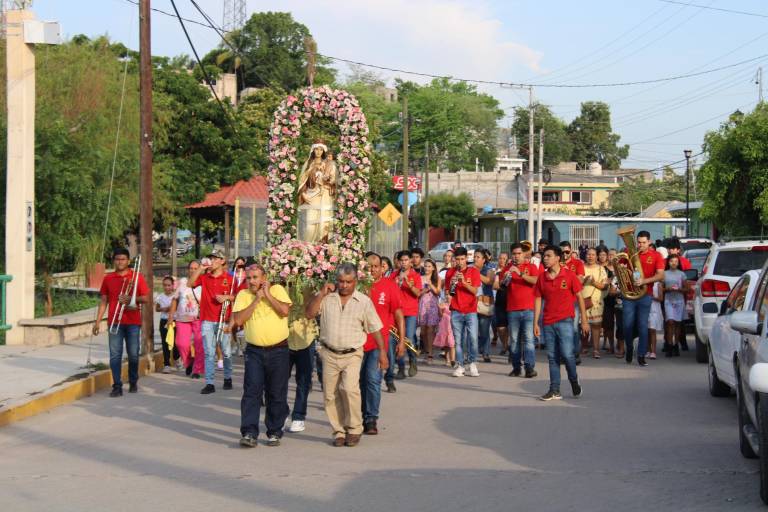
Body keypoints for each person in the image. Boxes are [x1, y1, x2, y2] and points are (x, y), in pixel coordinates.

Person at [305, 263, 386, 447]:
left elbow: (375, 329)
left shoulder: (364, 302)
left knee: (350, 390)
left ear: (355, 281)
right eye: (341, 281)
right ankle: (339, 431)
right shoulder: (327, 298)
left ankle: (355, 428)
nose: (344, 285)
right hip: (329, 352)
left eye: (348, 282)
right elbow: (309, 313)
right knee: (330, 394)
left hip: (352, 354)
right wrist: (320, 293)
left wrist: (382, 353)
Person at [232, 264, 292, 448]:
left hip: (279, 350)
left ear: (264, 277)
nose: (251, 281)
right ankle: (249, 432)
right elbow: (239, 320)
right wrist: (257, 300)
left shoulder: (277, 289)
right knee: (252, 391)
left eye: (255, 277)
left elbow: (284, 311)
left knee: (276, 392)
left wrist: (268, 296)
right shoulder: (243, 295)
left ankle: (274, 431)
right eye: (249, 278)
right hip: (254, 351)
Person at [93, 248, 150, 397]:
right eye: (117, 259)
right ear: (114, 261)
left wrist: (132, 299)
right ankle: (117, 386)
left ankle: (133, 381)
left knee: (133, 354)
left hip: (132, 322)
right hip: (114, 321)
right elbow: (103, 301)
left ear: (128, 261)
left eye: (123, 259)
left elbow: (145, 298)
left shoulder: (136, 277)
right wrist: (98, 321)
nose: (120, 262)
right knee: (115, 355)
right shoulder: (108, 278)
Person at [534, 246, 588, 401]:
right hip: (548, 321)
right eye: (544, 256)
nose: (545, 258)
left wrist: (584, 320)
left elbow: (579, 297)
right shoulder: (542, 277)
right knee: (552, 357)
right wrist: (535, 323)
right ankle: (554, 389)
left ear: (558, 258)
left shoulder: (569, 275)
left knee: (567, 354)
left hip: (565, 320)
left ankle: (573, 380)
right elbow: (538, 299)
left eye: (548, 256)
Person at [363, 253, 405, 432]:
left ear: (382, 268)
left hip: (378, 344)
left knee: (372, 380)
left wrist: (402, 341)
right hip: (356, 342)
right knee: (357, 382)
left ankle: (371, 418)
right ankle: (359, 416)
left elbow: (398, 315)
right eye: (368, 267)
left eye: (375, 266)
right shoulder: (356, 286)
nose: (372, 270)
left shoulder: (390, 286)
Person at [188, 250, 236, 394]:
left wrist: (226, 297)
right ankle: (210, 383)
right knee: (209, 352)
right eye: (210, 258)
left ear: (222, 261)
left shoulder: (229, 278)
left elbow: (238, 297)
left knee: (226, 352)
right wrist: (200, 269)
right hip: (207, 320)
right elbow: (190, 283)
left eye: (215, 258)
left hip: (224, 320)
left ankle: (227, 377)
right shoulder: (205, 277)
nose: (211, 261)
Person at [622, 230, 665, 367]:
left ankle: (641, 355)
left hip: (645, 295)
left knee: (642, 326)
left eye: (643, 242)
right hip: (629, 294)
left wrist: (644, 281)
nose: (640, 245)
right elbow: (619, 267)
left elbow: (660, 276)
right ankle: (629, 347)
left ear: (649, 242)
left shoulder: (656, 255)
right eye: (639, 242)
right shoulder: (628, 252)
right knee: (627, 325)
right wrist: (622, 268)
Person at [499, 243, 539, 378]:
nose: (516, 256)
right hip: (513, 309)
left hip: (528, 308)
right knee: (515, 340)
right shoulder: (507, 268)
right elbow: (501, 286)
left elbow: (535, 281)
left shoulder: (531, 267)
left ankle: (529, 368)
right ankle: (516, 367)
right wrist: (505, 279)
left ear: (524, 254)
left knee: (528, 339)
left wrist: (520, 273)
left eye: (519, 254)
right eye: (514, 254)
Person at [445, 247, 481, 377]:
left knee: (472, 338)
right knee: (458, 340)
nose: (460, 262)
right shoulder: (450, 273)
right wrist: (452, 285)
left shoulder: (473, 271)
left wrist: (464, 283)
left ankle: (472, 362)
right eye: (457, 259)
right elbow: (448, 292)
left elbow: (475, 291)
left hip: (470, 310)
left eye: (462, 259)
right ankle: (460, 365)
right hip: (456, 310)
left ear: (466, 259)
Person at [168, 260, 204, 378]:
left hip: (199, 319)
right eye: (191, 268)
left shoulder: (204, 282)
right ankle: (188, 362)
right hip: (182, 318)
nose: (193, 270)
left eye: (195, 268)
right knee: (181, 344)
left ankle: (197, 370)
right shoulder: (182, 282)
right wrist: (170, 317)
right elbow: (175, 300)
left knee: (199, 344)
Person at [391, 251, 422, 378]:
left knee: (408, 337)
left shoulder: (415, 276)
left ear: (410, 261)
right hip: (397, 311)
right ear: (398, 262)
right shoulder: (394, 275)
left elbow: (418, 293)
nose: (404, 262)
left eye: (406, 260)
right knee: (397, 339)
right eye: (401, 260)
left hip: (410, 311)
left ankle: (413, 360)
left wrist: (410, 286)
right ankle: (401, 368)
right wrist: (395, 284)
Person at [560, 241, 586, 364]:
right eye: (562, 252)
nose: (564, 254)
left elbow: (580, 280)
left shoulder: (577, 263)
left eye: (567, 251)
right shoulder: (555, 264)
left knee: (574, 329)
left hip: (573, 301)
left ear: (571, 251)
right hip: (559, 302)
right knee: (560, 329)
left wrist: (567, 272)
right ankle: (563, 354)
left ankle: (575, 354)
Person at [582, 248, 608, 359]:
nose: (590, 256)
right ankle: (584, 346)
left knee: (596, 326)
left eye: (593, 255)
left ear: (596, 256)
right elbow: (575, 283)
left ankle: (596, 349)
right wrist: (584, 280)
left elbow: (604, 286)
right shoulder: (581, 267)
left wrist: (593, 282)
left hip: (597, 301)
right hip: (582, 300)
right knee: (583, 325)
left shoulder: (601, 269)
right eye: (588, 254)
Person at [662, 254, 687, 357]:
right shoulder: (664, 274)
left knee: (677, 323)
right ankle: (669, 344)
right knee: (670, 322)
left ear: (678, 263)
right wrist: (667, 289)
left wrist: (679, 289)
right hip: (668, 300)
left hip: (679, 300)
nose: (673, 263)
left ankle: (676, 344)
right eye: (672, 261)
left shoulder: (682, 274)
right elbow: (661, 289)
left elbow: (686, 289)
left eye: (676, 261)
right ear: (668, 262)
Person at [474, 249, 495, 363]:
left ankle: (485, 352)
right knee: (473, 330)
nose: (475, 259)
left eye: (478, 257)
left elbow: (489, 281)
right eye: (474, 257)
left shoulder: (489, 270)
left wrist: (476, 273)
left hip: (485, 303)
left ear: (483, 260)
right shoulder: (470, 269)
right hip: (472, 302)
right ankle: (474, 352)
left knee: (484, 329)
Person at [418, 259, 441, 364]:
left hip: (432, 305)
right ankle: (427, 350)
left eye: (429, 266)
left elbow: (437, 292)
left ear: (433, 268)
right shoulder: (420, 278)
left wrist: (431, 285)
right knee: (423, 332)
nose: (426, 268)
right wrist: (424, 290)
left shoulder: (437, 279)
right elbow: (418, 293)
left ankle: (430, 354)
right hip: (422, 305)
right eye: (425, 266)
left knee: (430, 329)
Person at [155, 275, 176, 374]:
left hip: (175, 321)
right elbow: (157, 308)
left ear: (173, 286)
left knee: (176, 342)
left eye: (169, 285)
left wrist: (172, 308)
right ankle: (167, 364)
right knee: (165, 343)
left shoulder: (176, 296)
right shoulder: (160, 296)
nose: (167, 287)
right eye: (165, 285)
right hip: (164, 321)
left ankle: (177, 358)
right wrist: (164, 309)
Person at [493, 251, 510, 356]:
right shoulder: (495, 271)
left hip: (509, 300)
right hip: (499, 300)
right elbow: (495, 286)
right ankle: (505, 345)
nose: (502, 260)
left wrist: (500, 281)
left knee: (508, 326)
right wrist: (498, 277)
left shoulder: (509, 271)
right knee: (500, 327)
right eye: (500, 258)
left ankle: (507, 346)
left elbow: (506, 284)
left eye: (504, 258)